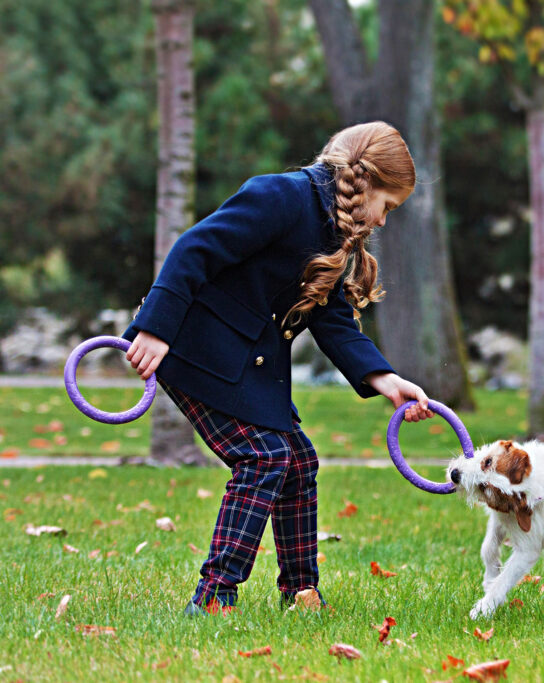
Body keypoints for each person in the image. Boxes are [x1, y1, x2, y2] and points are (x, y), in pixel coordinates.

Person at [123, 121, 434, 616]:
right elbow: (194, 250)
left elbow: (331, 319)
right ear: (368, 180)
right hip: (195, 349)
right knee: (264, 457)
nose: (382, 220)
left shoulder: (333, 231)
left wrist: (385, 379)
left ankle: (300, 591)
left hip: (248, 364)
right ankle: (214, 596)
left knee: (299, 459)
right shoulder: (281, 197)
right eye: (388, 206)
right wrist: (155, 328)